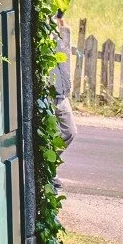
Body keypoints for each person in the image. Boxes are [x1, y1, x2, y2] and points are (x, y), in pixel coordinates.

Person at [53, 8, 77, 150]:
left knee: (69, 131)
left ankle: (49, 161)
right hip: (49, 93)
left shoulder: (63, 34)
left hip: (61, 94)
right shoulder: (48, 34)